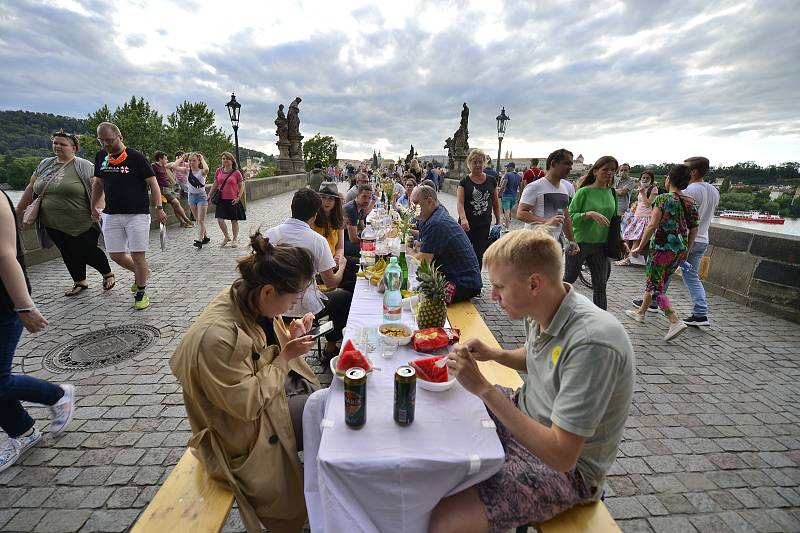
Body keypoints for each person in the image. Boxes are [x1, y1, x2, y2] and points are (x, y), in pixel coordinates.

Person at [428, 229, 634, 533]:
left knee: (442, 522)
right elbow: (539, 357)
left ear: (534, 284)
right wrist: (494, 354)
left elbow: (562, 456)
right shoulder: (542, 308)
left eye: (499, 287)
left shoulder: (593, 343)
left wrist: (483, 388)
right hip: (523, 414)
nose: (493, 295)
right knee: (440, 410)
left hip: (566, 471)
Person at [170, 233, 320, 533]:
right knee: (327, 410)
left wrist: (290, 336)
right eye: (292, 299)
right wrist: (285, 357)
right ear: (268, 291)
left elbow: (261, 352)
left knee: (327, 406)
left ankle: (321, 489)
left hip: (263, 404)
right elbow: (246, 404)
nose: (294, 305)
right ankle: (323, 497)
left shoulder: (247, 299)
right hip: (240, 432)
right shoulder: (217, 337)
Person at [1, 188, 76, 473]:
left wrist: (23, 306)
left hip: (4, 302)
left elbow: (5, 254)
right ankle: (22, 431)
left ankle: (56, 395)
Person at [15, 130, 114, 296]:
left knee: (87, 250)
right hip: (52, 222)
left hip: (82, 220)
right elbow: (31, 187)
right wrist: (18, 210)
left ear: (74, 148)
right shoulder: (44, 164)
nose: (57, 146)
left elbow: (98, 189)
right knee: (67, 251)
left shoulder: (84, 166)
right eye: (55, 143)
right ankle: (80, 281)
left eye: (62, 144)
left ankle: (107, 273)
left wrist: (97, 210)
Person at [266, 189, 351, 360]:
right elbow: (331, 283)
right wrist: (341, 266)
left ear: (292, 207)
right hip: (302, 308)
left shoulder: (271, 234)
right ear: (314, 214)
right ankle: (330, 346)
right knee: (344, 296)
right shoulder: (317, 241)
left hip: (272, 306)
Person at [91, 122, 168, 310]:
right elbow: (98, 184)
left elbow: (154, 184)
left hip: (137, 214)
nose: (106, 145)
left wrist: (158, 207)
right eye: (102, 141)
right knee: (116, 255)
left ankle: (141, 291)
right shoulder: (102, 156)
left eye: (109, 140)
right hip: (111, 213)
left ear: (120, 137)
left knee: (137, 254)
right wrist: (93, 205)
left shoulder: (136, 157)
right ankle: (142, 272)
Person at [626, 164, 699, 341]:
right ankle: (641, 312)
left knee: (655, 287)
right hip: (678, 249)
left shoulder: (663, 199)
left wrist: (638, 246)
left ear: (669, 179)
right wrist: (687, 250)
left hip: (661, 249)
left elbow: (652, 225)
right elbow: (694, 227)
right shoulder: (689, 201)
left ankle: (674, 321)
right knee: (656, 282)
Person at [563, 156, 619, 310]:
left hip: (601, 245)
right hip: (580, 243)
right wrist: (589, 214)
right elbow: (570, 218)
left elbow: (614, 220)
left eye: (613, 170)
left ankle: (602, 322)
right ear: (595, 171)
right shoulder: (584, 192)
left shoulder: (612, 193)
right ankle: (552, 312)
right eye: (605, 169)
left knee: (600, 286)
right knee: (569, 279)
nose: (609, 173)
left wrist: (620, 242)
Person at [411, 185, 482, 303]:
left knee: (421, 300)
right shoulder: (428, 217)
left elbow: (422, 263)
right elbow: (419, 247)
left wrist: (402, 251)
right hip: (451, 277)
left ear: (429, 201)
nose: (412, 207)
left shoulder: (436, 223)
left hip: (463, 284)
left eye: (415, 204)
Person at [676, 156, 719, 327]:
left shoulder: (690, 190)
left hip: (686, 239)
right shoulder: (714, 190)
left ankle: (653, 302)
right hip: (703, 239)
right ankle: (700, 314)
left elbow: (680, 217)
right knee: (692, 277)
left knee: (663, 271)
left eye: (685, 169)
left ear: (693, 172)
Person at [516, 148, 578, 250]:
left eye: (571, 164)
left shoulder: (565, 188)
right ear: (553, 163)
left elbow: (565, 216)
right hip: (534, 243)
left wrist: (572, 240)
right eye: (567, 163)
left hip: (554, 244)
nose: (570, 168)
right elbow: (520, 213)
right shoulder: (535, 186)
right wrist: (546, 221)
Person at [457, 149, 501, 269]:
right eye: (475, 162)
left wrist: (498, 219)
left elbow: (495, 202)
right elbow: (460, 203)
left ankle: (476, 281)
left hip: (483, 224)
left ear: (484, 163)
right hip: (466, 224)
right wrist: (463, 219)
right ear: (469, 164)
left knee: (479, 254)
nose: (478, 165)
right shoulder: (464, 182)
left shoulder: (491, 180)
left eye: (480, 162)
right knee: (462, 252)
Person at [616, 171, 658, 266]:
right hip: (637, 216)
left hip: (646, 217)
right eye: (643, 178)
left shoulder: (653, 189)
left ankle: (628, 260)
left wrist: (642, 193)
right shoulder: (641, 188)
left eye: (647, 178)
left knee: (636, 239)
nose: (645, 180)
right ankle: (629, 257)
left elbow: (648, 204)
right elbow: (639, 203)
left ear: (651, 180)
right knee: (626, 235)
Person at [208, 152, 246, 247]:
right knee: (220, 219)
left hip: (233, 199)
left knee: (234, 220)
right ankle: (226, 237)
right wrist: (209, 194)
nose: (224, 160)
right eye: (223, 158)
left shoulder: (236, 172)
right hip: (221, 199)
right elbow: (215, 184)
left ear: (232, 161)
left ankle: (235, 239)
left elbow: (241, 186)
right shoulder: (219, 171)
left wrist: (238, 197)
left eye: (227, 159)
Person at [152, 151, 193, 228]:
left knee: (176, 205)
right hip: (162, 189)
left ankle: (183, 222)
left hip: (168, 188)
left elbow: (170, 169)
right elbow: (152, 179)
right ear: (160, 159)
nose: (167, 160)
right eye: (165, 159)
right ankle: (186, 219)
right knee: (176, 203)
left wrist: (173, 184)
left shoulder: (164, 166)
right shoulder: (154, 166)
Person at [312, 183, 345, 264]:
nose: (326, 201)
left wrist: (338, 258)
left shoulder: (339, 219)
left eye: (331, 198)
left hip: (333, 260)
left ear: (335, 201)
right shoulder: (312, 219)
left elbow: (340, 247)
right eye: (323, 198)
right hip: (318, 263)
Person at [186, 153, 210, 249]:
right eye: (190, 160)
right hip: (191, 196)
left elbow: (207, 170)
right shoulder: (187, 171)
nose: (191, 162)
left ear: (198, 161)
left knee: (201, 220)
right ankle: (206, 236)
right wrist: (183, 158)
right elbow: (173, 166)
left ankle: (199, 240)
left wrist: (202, 158)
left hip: (201, 196)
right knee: (197, 220)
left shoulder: (201, 172)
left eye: (194, 160)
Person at [343, 184, 374, 257]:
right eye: (364, 196)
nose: (367, 200)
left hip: (350, 238)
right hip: (342, 242)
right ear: (357, 195)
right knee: (372, 251)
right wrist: (370, 242)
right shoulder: (351, 209)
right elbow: (353, 239)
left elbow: (362, 228)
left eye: (369, 198)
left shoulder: (361, 207)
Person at [499, 162, 522, 232]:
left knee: (506, 211)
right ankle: (506, 224)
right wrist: (520, 196)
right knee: (508, 211)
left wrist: (499, 194)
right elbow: (520, 188)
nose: (506, 168)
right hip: (514, 197)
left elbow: (503, 186)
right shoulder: (519, 176)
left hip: (506, 195)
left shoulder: (507, 175)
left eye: (507, 167)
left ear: (510, 167)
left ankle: (507, 228)